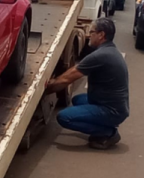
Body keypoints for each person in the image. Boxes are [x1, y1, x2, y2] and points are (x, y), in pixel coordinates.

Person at [45, 17, 129, 150]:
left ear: (101, 35)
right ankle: (105, 124)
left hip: (112, 111)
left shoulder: (101, 55)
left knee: (64, 117)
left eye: (92, 32)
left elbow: (68, 78)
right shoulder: (110, 50)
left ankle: (108, 132)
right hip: (115, 106)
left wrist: (47, 88)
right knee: (77, 100)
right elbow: (74, 71)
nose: (89, 35)